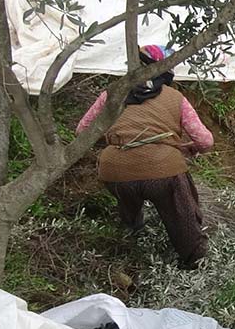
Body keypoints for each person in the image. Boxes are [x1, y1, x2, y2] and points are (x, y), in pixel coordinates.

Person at [76, 44, 213, 269]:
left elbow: (83, 131)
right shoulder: (175, 98)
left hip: (115, 170)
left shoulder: (110, 94)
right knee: (183, 216)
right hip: (163, 171)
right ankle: (194, 262)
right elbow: (205, 140)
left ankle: (130, 244)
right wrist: (190, 148)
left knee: (128, 204)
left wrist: (116, 141)